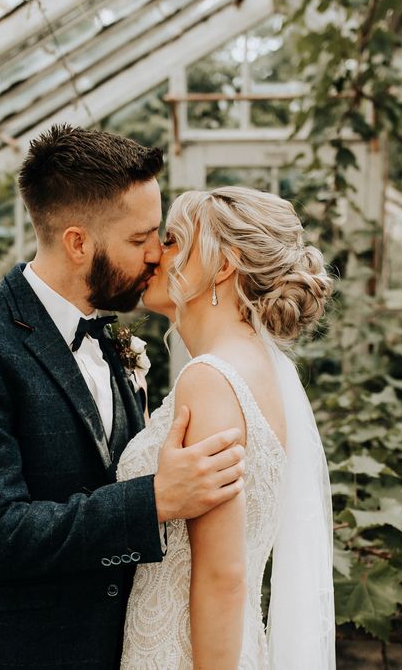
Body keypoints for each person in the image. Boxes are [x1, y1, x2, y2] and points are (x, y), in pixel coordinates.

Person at [0, 125, 246, 669]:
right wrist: (155, 499)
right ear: (78, 242)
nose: (158, 256)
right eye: (141, 240)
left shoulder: (114, 340)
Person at [118, 186, 337, 669]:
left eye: (173, 240)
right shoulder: (257, 368)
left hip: (187, 652)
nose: (155, 252)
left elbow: (223, 573)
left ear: (222, 266)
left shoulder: (212, 379)